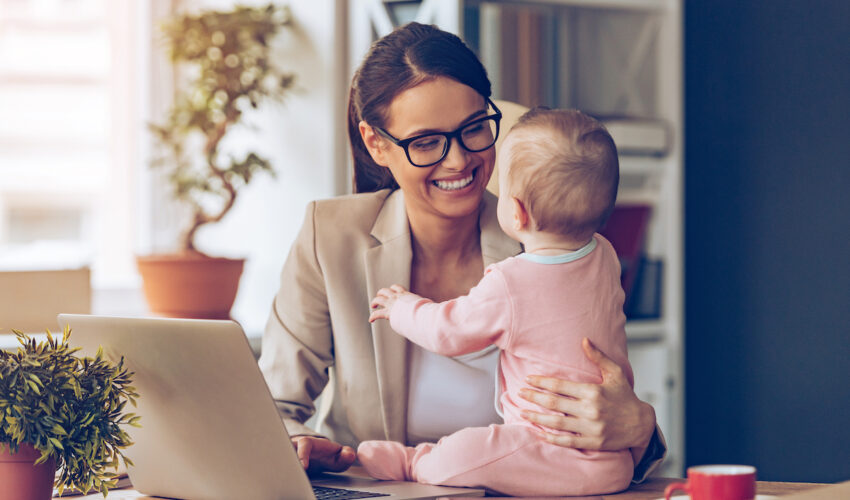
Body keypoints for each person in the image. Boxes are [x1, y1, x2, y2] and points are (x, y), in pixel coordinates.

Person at [257, 21, 665, 484]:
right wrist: (299, 445)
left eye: (473, 129)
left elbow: (608, 392)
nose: (458, 160)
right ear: (377, 144)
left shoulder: (550, 239)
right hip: (375, 490)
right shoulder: (329, 236)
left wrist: (639, 425)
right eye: (426, 142)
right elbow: (272, 406)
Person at [356, 108, 633, 496]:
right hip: (612, 461)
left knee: (469, 449)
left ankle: (413, 462)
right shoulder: (604, 256)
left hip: (543, 446)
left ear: (516, 212)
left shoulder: (511, 281)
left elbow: (448, 331)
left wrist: (401, 307)